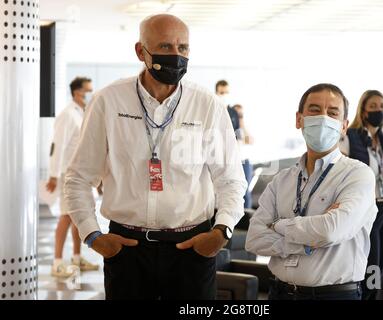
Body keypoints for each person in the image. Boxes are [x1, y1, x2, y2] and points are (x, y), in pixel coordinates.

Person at [64, 14, 247, 300]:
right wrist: (93, 236)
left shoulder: (206, 105)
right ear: (141, 51)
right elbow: (78, 178)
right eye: (165, 47)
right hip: (127, 249)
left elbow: (231, 180)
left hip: (192, 247)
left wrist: (220, 233)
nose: (176, 56)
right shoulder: (109, 101)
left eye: (183, 48)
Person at [245, 83, 377, 300]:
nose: (324, 118)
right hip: (280, 293)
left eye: (332, 113)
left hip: (333, 296)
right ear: (299, 119)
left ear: (343, 126)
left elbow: (330, 231)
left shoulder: (357, 175)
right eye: (315, 110)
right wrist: (305, 244)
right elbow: (254, 239)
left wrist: (278, 225)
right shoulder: (282, 180)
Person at [340, 90, 383, 300]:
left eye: (382, 106)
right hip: (370, 209)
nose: (379, 110)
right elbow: (339, 166)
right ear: (363, 110)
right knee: (371, 266)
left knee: (381, 266)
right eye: (373, 106)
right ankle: (366, 296)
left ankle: (371, 295)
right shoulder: (351, 137)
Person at [46, 77, 99, 277]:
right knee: (66, 217)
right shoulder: (67, 115)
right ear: (77, 92)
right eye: (88, 90)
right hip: (66, 175)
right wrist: (53, 176)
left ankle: (77, 259)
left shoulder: (81, 113)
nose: (91, 93)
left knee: (78, 219)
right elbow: (57, 147)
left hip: (80, 175)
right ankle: (57, 263)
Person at [233, 104, 254, 209]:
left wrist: (241, 121)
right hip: (232, 162)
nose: (239, 115)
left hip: (244, 162)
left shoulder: (243, 127)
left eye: (240, 113)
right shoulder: (230, 125)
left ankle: (246, 216)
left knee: (245, 191)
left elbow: (249, 140)